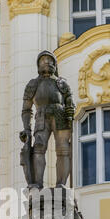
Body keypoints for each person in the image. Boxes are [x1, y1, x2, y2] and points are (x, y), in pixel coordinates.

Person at [21, 50, 75, 188]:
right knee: (38, 148)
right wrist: (26, 129)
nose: (47, 62)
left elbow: (69, 101)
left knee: (63, 149)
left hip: (60, 114)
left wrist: (70, 112)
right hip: (41, 115)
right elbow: (26, 109)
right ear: (38, 64)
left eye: (50, 60)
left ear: (55, 64)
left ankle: (61, 183)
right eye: (43, 60)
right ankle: (38, 183)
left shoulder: (61, 83)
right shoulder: (32, 84)